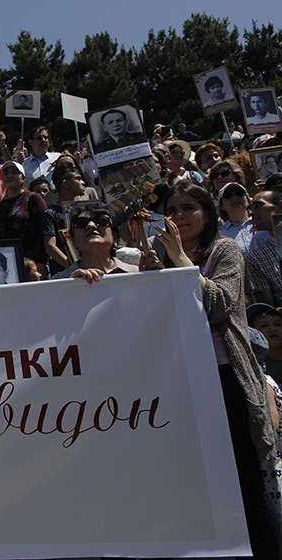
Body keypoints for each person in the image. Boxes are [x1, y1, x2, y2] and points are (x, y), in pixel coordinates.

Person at [142, 180, 280, 559]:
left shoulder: (226, 251)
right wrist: (148, 277)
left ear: (207, 214)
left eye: (189, 207)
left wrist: (181, 263)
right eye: (173, 209)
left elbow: (220, 304)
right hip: (182, 380)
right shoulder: (159, 256)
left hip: (225, 377)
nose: (180, 216)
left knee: (246, 483)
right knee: (202, 484)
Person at [0, 160, 48, 275]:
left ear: (23, 178)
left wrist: (41, 261)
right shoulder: (0, 206)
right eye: (6, 173)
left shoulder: (34, 198)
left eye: (14, 172)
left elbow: (43, 230)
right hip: (9, 264)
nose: (9, 175)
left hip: (33, 264)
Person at [53, 208, 137, 282]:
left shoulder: (137, 273)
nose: (91, 225)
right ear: (73, 242)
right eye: (81, 222)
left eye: (101, 221)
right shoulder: (58, 282)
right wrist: (71, 286)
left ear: (114, 237)